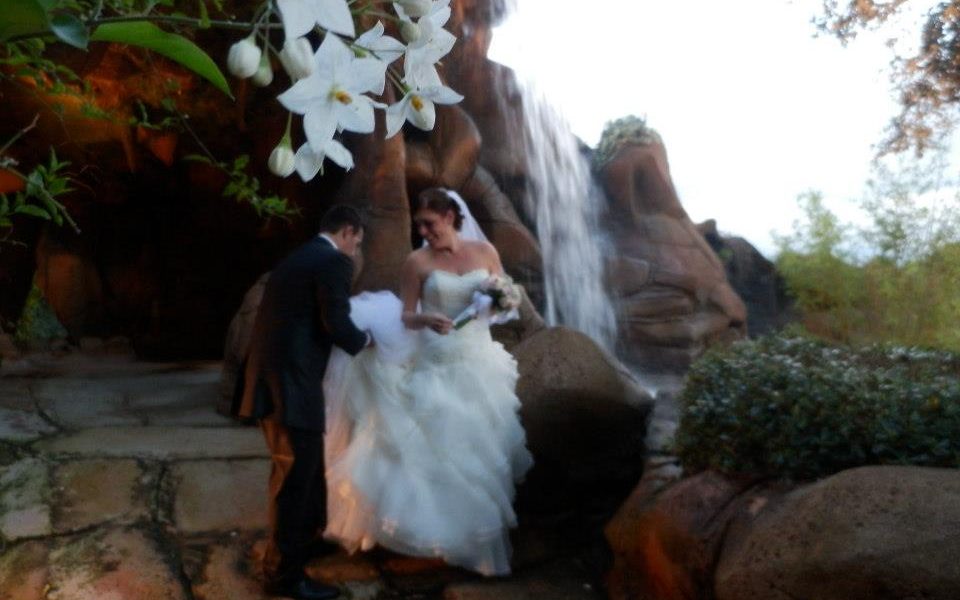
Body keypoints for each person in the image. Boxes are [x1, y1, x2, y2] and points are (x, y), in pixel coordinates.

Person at [322, 188, 533, 576]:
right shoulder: (416, 262)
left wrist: (503, 300)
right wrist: (426, 320)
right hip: (436, 359)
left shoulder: (485, 255)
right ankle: (434, 541)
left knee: (480, 452)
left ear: (451, 217)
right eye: (419, 223)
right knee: (437, 449)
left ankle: (478, 548)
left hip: (480, 361)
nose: (423, 230)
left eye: (429, 223)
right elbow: (406, 315)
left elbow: (507, 298)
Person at [238, 204, 370, 600]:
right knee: (294, 481)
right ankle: (283, 578)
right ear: (348, 231)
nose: (354, 252)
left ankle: (305, 544)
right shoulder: (332, 261)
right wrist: (368, 340)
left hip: (274, 381)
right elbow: (337, 324)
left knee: (305, 473)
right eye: (356, 243)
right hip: (291, 388)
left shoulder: (299, 256)